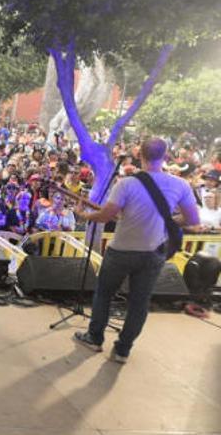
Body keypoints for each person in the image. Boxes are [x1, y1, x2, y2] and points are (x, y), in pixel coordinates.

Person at [73, 138, 200, 363]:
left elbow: (105, 216)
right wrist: (166, 221)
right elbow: (192, 219)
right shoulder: (180, 185)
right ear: (166, 156)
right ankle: (123, 350)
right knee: (139, 303)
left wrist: (84, 215)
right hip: (153, 253)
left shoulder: (127, 184)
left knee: (104, 294)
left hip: (121, 251)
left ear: (139, 155)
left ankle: (94, 338)